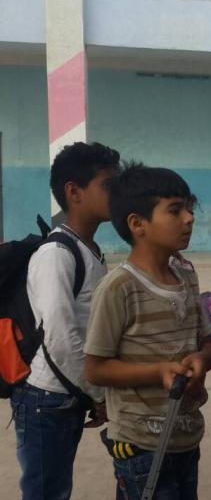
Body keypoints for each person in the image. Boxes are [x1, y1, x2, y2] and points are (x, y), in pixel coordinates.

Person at [84, 163, 211, 499]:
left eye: (189, 208)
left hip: (186, 438)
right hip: (141, 448)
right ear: (137, 224)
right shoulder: (119, 288)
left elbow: (207, 343)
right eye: (175, 210)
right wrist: (158, 371)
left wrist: (203, 359)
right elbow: (96, 369)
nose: (189, 218)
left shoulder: (186, 276)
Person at [10, 142, 120, 499]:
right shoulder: (56, 254)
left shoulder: (90, 250)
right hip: (46, 397)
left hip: (70, 391)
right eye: (108, 185)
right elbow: (60, 338)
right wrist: (98, 393)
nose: (118, 193)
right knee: (47, 492)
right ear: (74, 192)